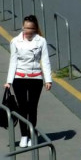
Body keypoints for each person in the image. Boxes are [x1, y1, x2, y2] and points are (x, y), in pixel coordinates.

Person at [4, 15, 52, 149]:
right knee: (22, 108)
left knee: (32, 108)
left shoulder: (41, 41)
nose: (28, 30)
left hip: (35, 78)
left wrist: (48, 79)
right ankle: (24, 136)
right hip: (19, 78)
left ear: (35, 28)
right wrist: (9, 81)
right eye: (26, 28)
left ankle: (31, 135)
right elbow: (13, 61)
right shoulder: (15, 41)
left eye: (31, 28)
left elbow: (45, 60)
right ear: (22, 27)